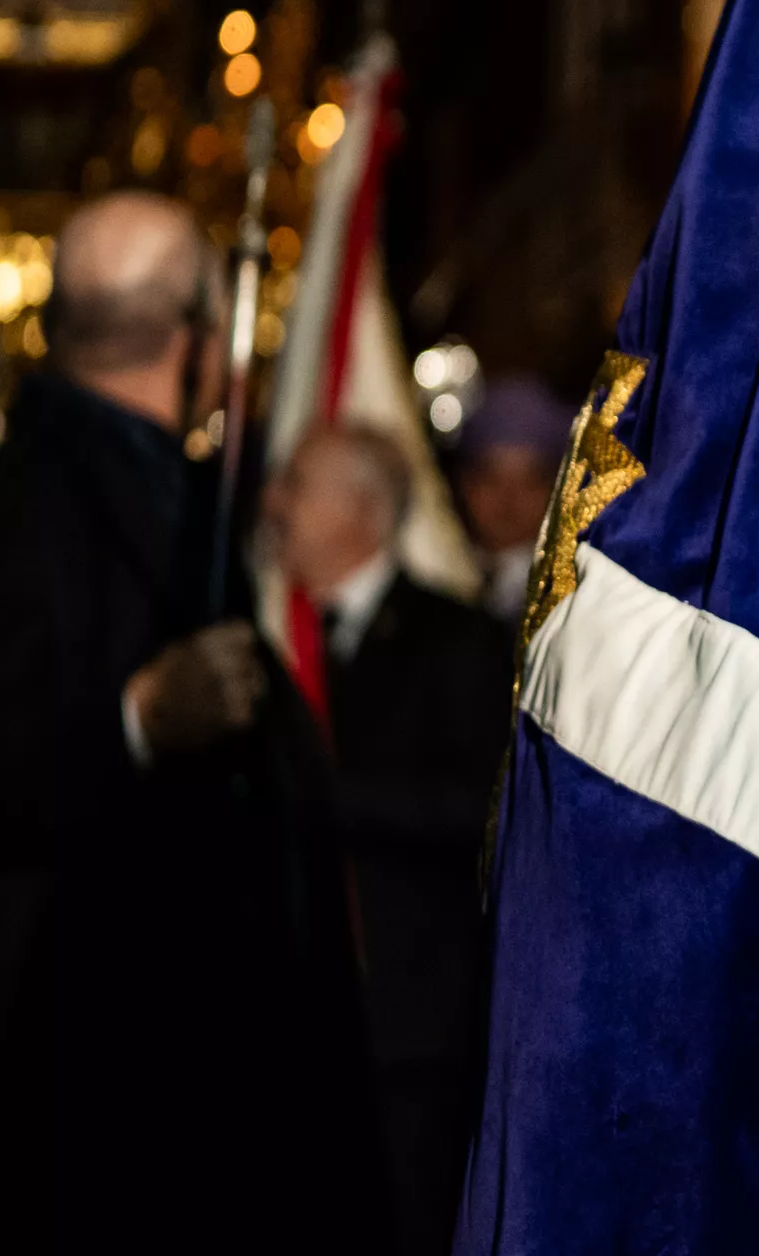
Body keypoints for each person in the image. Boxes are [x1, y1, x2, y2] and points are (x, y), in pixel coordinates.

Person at [0, 192, 380, 1252]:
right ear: (200, 344)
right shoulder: (2, 526)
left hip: (176, 1090)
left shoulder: (186, 506)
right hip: (48, 1109)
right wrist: (134, 719)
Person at [263, 420, 516, 1256]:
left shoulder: (459, 641)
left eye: (296, 484)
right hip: (297, 1015)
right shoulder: (270, 645)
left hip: (409, 1024)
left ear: (361, 511)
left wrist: (324, 799)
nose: (274, 503)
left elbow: (480, 810)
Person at [454, 375, 569, 624]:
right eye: (492, 479)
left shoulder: (571, 594)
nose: (509, 500)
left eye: (529, 482)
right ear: (466, 485)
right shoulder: (440, 572)